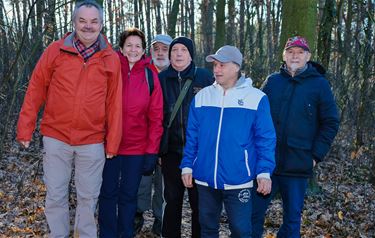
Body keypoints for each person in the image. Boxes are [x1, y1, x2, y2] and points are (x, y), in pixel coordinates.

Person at [16, 1, 122, 237]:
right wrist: (25, 127)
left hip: (92, 141)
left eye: (94, 21)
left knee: (88, 197)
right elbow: (36, 89)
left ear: (101, 24)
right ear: (74, 22)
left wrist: (113, 142)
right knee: (55, 194)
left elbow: (115, 103)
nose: (88, 26)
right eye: (82, 20)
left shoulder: (110, 58)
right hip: (56, 137)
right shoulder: (55, 50)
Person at [180, 45, 276, 237]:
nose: (216, 69)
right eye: (215, 64)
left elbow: (265, 138)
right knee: (207, 229)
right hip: (205, 178)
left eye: (222, 65)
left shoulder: (256, 98)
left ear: (236, 67)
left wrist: (264, 172)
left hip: (239, 179)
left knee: (241, 231)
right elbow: (192, 137)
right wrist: (187, 166)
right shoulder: (202, 97)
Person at [251, 36, 340, 238]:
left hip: (298, 164)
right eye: (291, 52)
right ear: (284, 55)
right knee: (253, 215)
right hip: (267, 164)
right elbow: (257, 118)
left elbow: (331, 122)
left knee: (292, 221)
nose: (295, 56)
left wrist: (316, 155)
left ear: (307, 57)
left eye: (300, 53)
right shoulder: (272, 82)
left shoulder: (319, 85)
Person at [98, 28, 163, 238]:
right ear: (121, 48)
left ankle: (125, 233)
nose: (133, 50)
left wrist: (151, 151)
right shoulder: (110, 69)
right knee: (107, 194)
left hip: (137, 148)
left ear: (143, 50)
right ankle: (107, 234)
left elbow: (156, 118)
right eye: (129, 45)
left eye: (138, 46)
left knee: (128, 196)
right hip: (109, 146)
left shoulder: (150, 75)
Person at [159, 36, 214, 238]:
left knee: (198, 203)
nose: (179, 54)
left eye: (183, 50)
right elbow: (156, 115)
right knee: (172, 200)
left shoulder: (205, 77)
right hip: (171, 153)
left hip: (199, 153)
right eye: (175, 50)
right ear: (170, 54)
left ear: (191, 55)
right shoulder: (162, 79)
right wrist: (158, 149)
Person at [134, 34, 172, 235]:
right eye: (156, 48)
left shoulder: (177, 75)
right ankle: (137, 214)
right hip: (142, 138)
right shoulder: (142, 72)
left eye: (164, 49)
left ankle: (160, 219)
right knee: (142, 181)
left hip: (167, 141)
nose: (160, 52)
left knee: (163, 185)